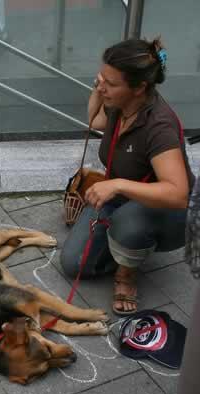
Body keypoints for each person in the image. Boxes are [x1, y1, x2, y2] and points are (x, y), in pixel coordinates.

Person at [60, 38, 194, 315]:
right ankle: (124, 242)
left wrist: (117, 184)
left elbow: (178, 193)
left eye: (110, 82)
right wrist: (99, 89)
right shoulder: (120, 104)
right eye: (101, 78)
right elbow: (94, 120)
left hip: (168, 211)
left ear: (139, 88)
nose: (102, 86)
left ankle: (127, 271)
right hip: (123, 197)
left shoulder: (159, 126)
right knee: (73, 264)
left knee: (128, 222)